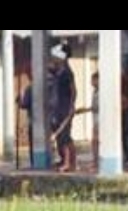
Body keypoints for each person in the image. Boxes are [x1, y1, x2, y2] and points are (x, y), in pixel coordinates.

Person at [49, 43, 77, 172]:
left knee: (65, 135)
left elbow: (73, 90)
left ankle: (69, 162)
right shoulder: (58, 71)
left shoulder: (67, 72)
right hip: (57, 107)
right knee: (59, 136)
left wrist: (71, 106)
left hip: (64, 107)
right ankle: (63, 159)